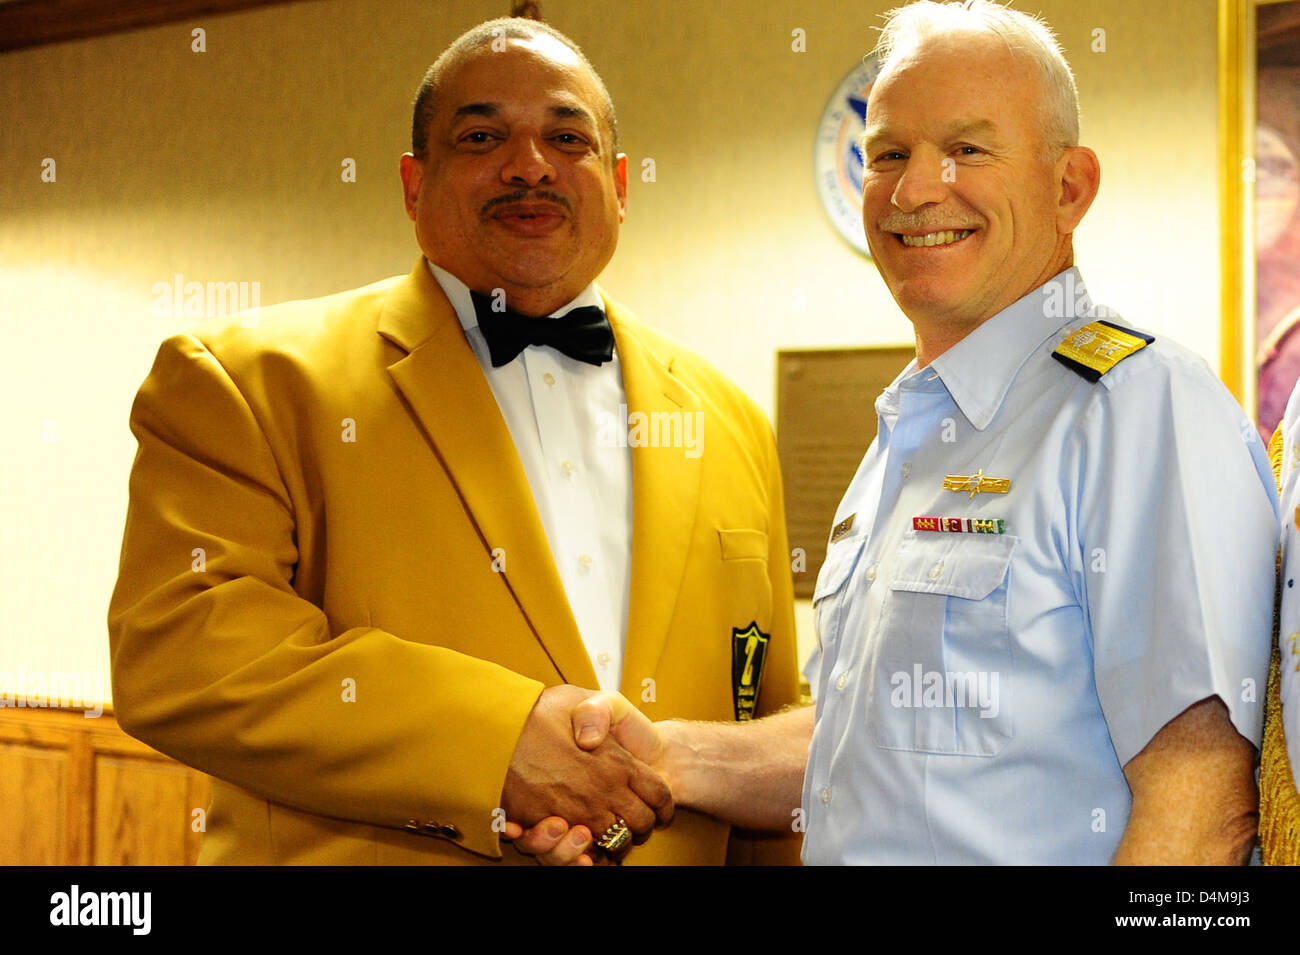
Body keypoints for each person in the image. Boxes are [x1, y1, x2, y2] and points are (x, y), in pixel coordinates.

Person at [512, 0, 1277, 865]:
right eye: (888, 155)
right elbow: (860, 747)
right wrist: (661, 757)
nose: (916, 190)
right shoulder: (910, 434)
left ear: (1071, 187)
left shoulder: (1141, 411)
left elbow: (1205, 809)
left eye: (967, 149)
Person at [107, 17, 802, 865]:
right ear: (413, 184)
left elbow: (765, 713)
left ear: (621, 186)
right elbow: (185, 649)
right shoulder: (243, 380)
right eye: (481, 135)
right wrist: (496, 743)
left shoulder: (732, 418)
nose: (530, 164)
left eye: (567, 136)